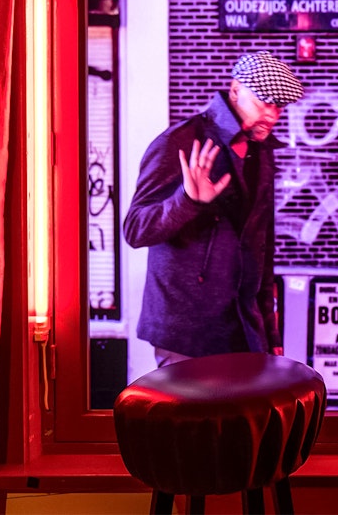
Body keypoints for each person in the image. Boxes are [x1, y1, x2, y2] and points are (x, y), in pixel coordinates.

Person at [123, 50, 304, 368]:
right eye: (264, 102)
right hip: (187, 334)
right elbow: (136, 229)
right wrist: (187, 200)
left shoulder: (260, 151)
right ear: (235, 90)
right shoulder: (179, 142)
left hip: (245, 331)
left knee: (245, 419)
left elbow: (262, 251)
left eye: (279, 106)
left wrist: (271, 335)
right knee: (192, 419)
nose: (273, 115)